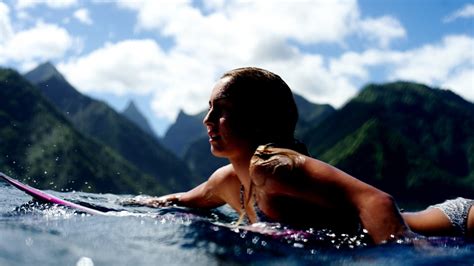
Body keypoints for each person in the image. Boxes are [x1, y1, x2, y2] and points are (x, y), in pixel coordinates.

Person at [123, 67, 473, 243]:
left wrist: (410, 256)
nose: (208, 120)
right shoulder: (225, 181)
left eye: (222, 109)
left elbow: (378, 201)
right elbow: (175, 201)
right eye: (209, 108)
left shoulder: (271, 165)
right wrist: (119, 209)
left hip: (454, 223)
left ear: (257, 118)